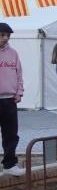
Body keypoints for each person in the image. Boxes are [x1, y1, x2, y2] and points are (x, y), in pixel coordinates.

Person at [0, 23, 24, 177]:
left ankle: (9, 165)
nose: (6, 38)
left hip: (9, 100)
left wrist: (19, 92)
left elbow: (19, 74)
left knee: (11, 134)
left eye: (8, 35)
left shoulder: (13, 53)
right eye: (2, 35)